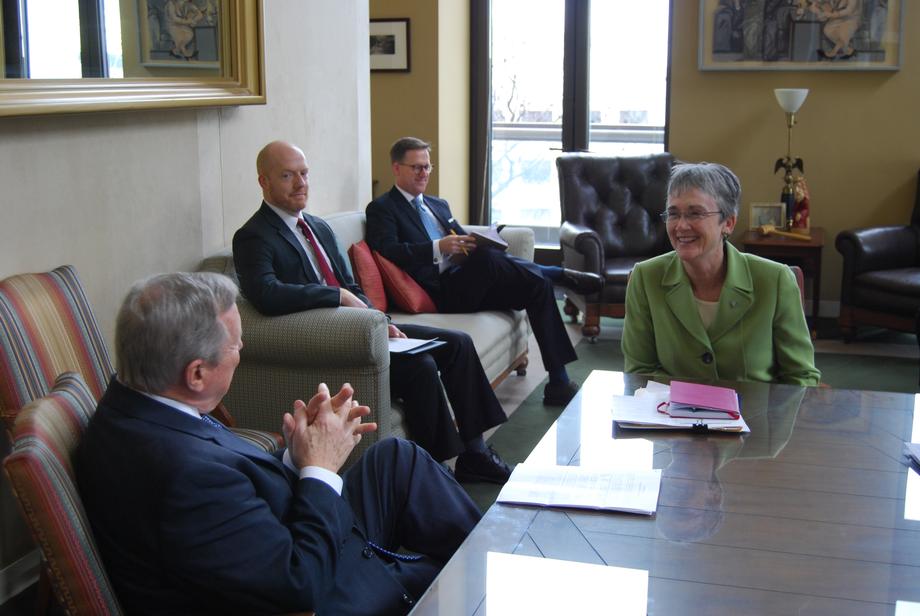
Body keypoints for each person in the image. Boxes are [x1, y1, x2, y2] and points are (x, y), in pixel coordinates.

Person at [75, 272, 481, 615]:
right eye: (235, 345)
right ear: (196, 374)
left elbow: (230, 495)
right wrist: (319, 469)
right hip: (320, 586)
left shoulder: (135, 404)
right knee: (445, 575)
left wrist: (295, 455)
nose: (241, 352)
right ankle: (479, 579)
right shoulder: (184, 477)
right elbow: (298, 582)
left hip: (278, 532)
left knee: (397, 457)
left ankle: (484, 553)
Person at [233, 140, 512, 483]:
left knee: (458, 344)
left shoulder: (318, 227)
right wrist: (334, 297)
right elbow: (266, 293)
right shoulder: (253, 236)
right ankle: (437, 471)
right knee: (422, 366)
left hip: (367, 325)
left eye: (304, 173)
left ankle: (475, 452)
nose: (301, 183)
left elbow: (353, 287)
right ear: (264, 181)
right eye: (287, 175)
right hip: (335, 337)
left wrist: (383, 321)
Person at [365, 137, 603, 406]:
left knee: (534, 285)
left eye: (428, 167)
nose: (424, 174)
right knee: (487, 258)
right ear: (397, 168)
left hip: (467, 279)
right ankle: (559, 274)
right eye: (416, 167)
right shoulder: (382, 208)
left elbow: (463, 239)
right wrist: (437, 246)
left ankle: (558, 381)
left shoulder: (437, 204)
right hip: (442, 292)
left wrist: (481, 240)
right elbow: (388, 250)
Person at [621, 162, 821, 386]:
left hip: (754, 418)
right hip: (670, 416)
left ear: (728, 223)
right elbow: (639, 372)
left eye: (695, 213)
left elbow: (800, 377)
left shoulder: (775, 281)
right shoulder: (646, 278)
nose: (681, 226)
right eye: (673, 214)